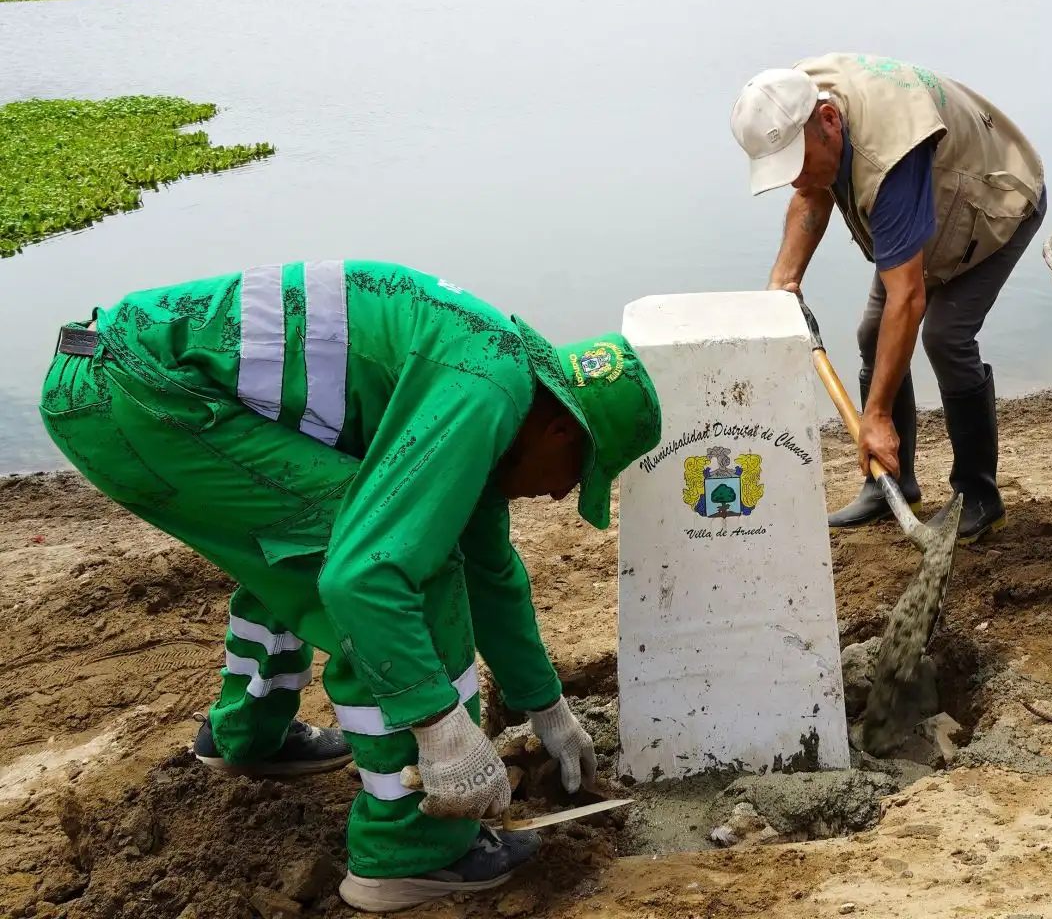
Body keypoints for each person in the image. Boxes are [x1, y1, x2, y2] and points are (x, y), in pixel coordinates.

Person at [39, 261, 661, 912]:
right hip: (141, 398)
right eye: (574, 476)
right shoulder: (487, 392)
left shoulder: (494, 373)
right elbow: (366, 577)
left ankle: (247, 735)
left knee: (304, 539)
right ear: (560, 429)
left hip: (113, 378)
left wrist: (546, 706)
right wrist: (443, 730)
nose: (561, 494)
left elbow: (492, 570)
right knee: (395, 567)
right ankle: (412, 848)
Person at [729, 54, 1047, 543]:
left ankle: (979, 496)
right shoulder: (798, 98)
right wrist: (784, 283)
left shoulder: (888, 158)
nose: (793, 178)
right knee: (873, 334)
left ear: (829, 121)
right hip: (931, 198)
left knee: (946, 336)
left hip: (995, 195)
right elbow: (812, 191)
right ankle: (891, 485)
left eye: (796, 164)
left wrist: (874, 417)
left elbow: (909, 299)